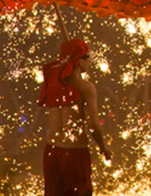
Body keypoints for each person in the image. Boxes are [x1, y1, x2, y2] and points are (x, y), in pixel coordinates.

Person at [38, 39, 112, 196]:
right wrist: (102, 146)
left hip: (51, 152)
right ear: (79, 61)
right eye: (88, 57)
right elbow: (92, 125)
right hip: (74, 154)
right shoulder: (85, 87)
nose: (90, 62)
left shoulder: (52, 83)